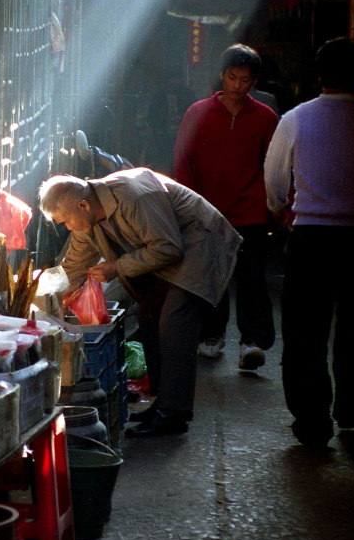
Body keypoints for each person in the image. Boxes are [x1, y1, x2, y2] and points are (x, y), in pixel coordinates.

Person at [264, 37, 354, 447]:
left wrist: (279, 207)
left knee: (305, 331)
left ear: (318, 74)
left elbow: (274, 182)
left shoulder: (294, 118)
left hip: (310, 240)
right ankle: (350, 402)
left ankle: (312, 419)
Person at [39, 169, 241, 437]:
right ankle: (161, 404)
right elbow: (73, 267)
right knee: (148, 316)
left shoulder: (135, 196)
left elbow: (169, 247)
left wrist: (117, 267)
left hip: (197, 242)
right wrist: (48, 296)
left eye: (66, 222)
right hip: (168, 250)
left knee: (174, 322)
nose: (67, 227)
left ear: (83, 205)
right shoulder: (88, 218)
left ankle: (173, 414)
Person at [173, 44, 279, 370]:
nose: (237, 85)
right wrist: (189, 206)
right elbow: (182, 162)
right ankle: (211, 336)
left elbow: (273, 164)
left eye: (244, 79)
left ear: (254, 82)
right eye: (232, 77)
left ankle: (252, 342)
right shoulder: (197, 113)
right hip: (206, 211)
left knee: (251, 278)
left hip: (251, 211)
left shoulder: (265, 117)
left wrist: (271, 203)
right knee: (210, 276)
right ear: (221, 76)